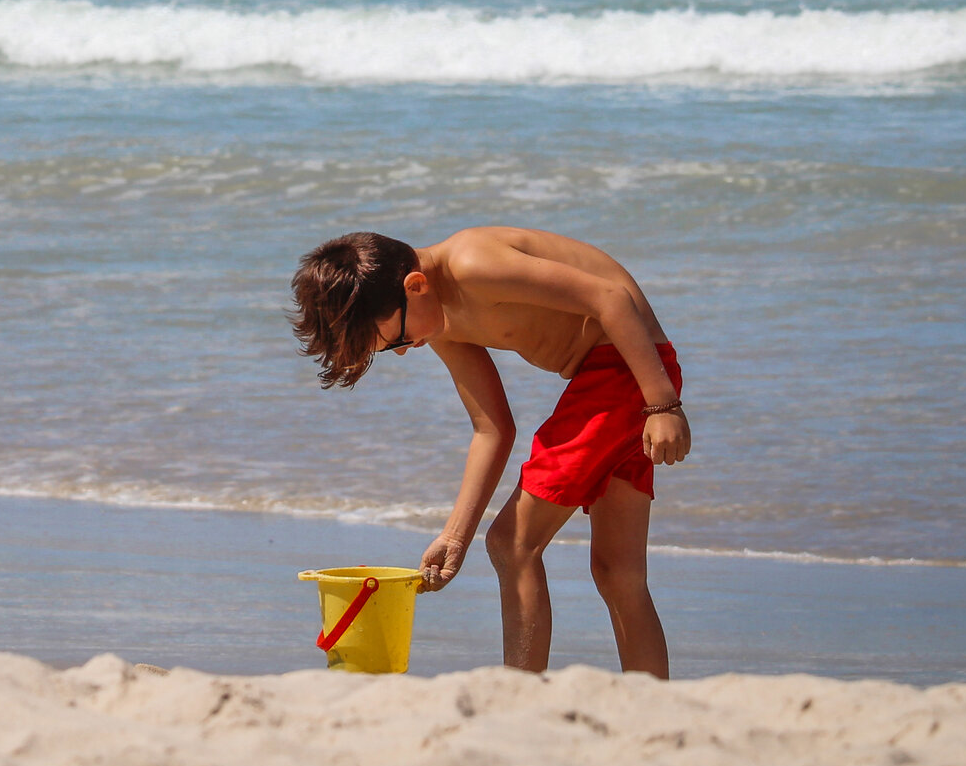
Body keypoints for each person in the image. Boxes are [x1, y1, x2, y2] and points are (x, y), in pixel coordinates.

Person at [289, 227, 690, 675]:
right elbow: (492, 428)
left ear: (415, 286)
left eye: (396, 340)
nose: (403, 352)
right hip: (617, 375)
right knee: (619, 574)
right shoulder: (437, 322)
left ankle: (519, 690)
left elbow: (611, 298)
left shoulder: (473, 265)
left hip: (627, 369)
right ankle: (651, 700)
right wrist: (455, 536)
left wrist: (663, 404)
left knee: (511, 545)